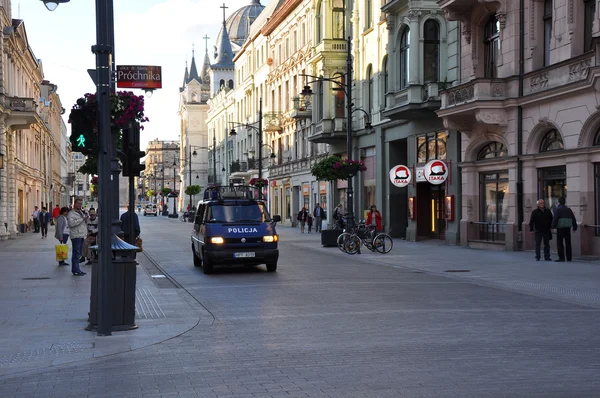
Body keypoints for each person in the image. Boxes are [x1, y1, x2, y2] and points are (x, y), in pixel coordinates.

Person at [551, 197, 577, 262]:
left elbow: (555, 219)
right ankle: (569, 257)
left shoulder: (558, 209)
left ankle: (561, 257)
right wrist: (574, 227)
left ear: (559, 202)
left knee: (560, 243)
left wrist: (553, 227)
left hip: (560, 228)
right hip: (567, 228)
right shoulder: (569, 209)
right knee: (568, 243)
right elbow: (573, 218)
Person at [67, 198, 88, 276]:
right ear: (75, 204)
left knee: (78, 254)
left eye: (81, 204)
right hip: (76, 236)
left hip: (81, 235)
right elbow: (71, 224)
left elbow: (83, 222)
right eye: (79, 204)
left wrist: (85, 219)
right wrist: (82, 219)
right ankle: (75, 270)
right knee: (76, 253)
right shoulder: (71, 214)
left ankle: (77, 269)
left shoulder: (80, 212)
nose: (80, 205)